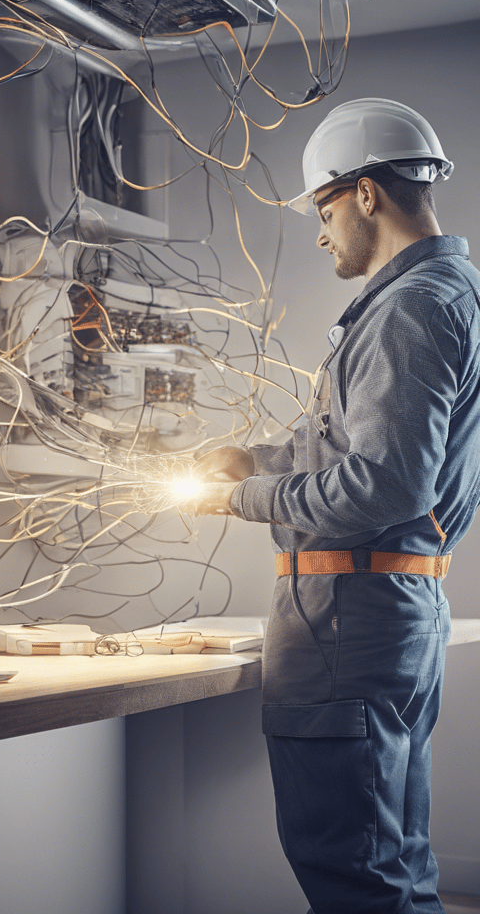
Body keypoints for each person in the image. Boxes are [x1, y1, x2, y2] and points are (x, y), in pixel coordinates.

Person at [192, 98, 480, 914]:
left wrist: (239, 495)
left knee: (355, 873)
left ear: (364, 195)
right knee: (387, 860)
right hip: (380, 611)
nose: (320, 235)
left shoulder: (409, 306)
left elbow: (385, 486)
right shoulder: (443, 293)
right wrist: (254, 458)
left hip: (349, 620)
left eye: (323, 209)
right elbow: (363, 455)